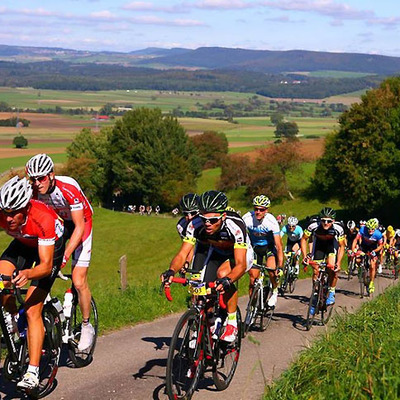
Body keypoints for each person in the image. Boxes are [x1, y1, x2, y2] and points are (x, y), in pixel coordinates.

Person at [0, 176, 65, 390]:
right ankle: (13, 329)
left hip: (49, 249)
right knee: (2, 286)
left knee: (31, 310)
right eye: (5, 213)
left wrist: (28, 273)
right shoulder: (4, 214)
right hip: (23, 242)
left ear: (26, 208)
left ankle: (33, 372)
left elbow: (45, 266)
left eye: (13, 213)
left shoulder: (43, 218)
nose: (8, 219)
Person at [162, 190, 252, 342]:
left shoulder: (235, 225)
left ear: (223, 216)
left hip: (239, 254)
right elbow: (183, 254)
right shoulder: (195, 225)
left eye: (213, 220)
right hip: (216, 252)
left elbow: (241, 265)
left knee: (223, 275)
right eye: (204, 219)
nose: (208, 224)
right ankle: (208, 325)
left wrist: (228, 280)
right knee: (201, 292)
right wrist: (171, 271)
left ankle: (232, 322)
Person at [25, 154, 95, 351]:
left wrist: (65, 255)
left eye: (42, 178)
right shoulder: (34, 192)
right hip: (60, 225)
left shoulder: (68, 187)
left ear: (52, 175)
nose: (37, 183)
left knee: (78, 280)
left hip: (82, 224)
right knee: (43, 267)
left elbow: (79, 227)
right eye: (33, 179)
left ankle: (86, 325)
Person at [242, 195, 283, 308]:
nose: (258, 212)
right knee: (252, 279)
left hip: (269, 247)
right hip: (254, 248)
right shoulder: (246, 218)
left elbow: (279, 246)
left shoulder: (271, 221)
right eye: (256, 209)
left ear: (267, 210)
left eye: (262, 209)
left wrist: (280, 266)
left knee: (271, 270)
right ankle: (252, 307)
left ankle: (275, 290)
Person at [301, 207, 345, 309]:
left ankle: (331, 291)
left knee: (332, 269)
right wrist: (304, 257)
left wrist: (338, 262)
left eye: (329, 221)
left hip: (331, 246)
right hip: (319, 246)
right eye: (323, 220)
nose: (326, 223)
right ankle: (316, 293)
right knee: (316, 271)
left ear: (333, 221)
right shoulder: (313, 226)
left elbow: (342, 246)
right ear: (319, 220)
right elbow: (304, 239)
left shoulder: (338, 228)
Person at [352, 218, 383, 293]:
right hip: (364, 246)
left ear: (375, 228)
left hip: (373, 248)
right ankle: (360, 270)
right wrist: (353, 249)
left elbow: (380, 245)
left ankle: (371, 283)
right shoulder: (362, 229)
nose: (370, 230)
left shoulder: (378, 234)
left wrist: (375, 251)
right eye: (368, 229)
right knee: (357, 259)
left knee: (372, 265)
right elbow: (356, 239)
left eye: (372, 229)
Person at [175, 193, 202, 271]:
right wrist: (186, 262)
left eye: (193, 213)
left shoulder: (207, 223)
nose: (189, 217)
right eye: (186, 214)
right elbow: (189, 248)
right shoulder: (181, 226)